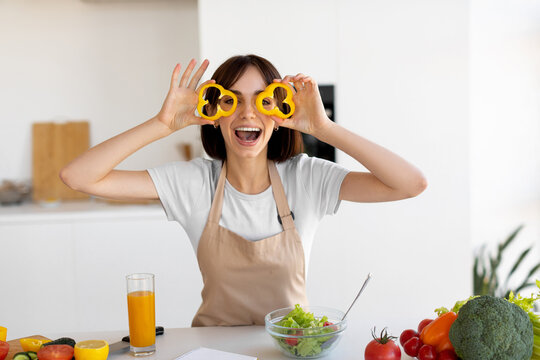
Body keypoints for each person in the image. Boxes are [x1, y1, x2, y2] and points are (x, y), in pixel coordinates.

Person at [60, 54, 427, 327]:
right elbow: (78, 177)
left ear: (280, 113)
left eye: (263, 100)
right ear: (214, 113)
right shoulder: (193, 184)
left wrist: (325, 128)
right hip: (211, 350)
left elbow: (411, 184)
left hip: (290, 347)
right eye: (231, 100)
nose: (248, 113)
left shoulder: (307, 179)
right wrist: (161, 124)